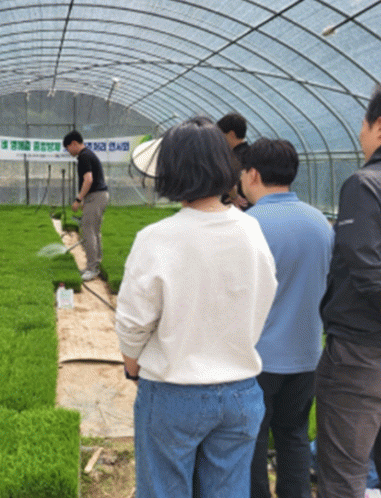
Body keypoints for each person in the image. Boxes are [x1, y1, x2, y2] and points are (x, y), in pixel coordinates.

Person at [115, 116, 277, 498]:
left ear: (171, 171)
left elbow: (133, 322)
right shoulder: (251, 230)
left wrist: (132, 366)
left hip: (174, 394)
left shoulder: (157, 238)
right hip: (240, 394)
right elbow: (265, 294)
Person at [316, 78, 381, 498]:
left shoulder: (367, 183)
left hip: (362, 355)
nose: (361, 131)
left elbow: (365, 263)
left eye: (364, 123)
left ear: (379, 125)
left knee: (343, 475)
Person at [238, 138, 333, 498]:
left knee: (253, 440)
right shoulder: (321, 224)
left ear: (253, 174)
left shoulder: (247, 226)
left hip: (258, 359)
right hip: (307, 356)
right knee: (294, 436)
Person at [63, 130, 109, 281]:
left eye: (68, 148)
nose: (68, 151)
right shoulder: (88, 154)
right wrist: (85, 199)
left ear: (74, 143)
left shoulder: (84, 156)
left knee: (88, 231)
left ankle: (92, 268)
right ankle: (95, 264)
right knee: (94, 231)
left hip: (96, 196)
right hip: (98, 196)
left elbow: (88, 180)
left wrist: (78, 199)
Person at [217, 113, 250, 209]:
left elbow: (229, 181)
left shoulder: (232, 157)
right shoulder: (254, 152)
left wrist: (234, 196)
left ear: (231, 134)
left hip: (234, 207)